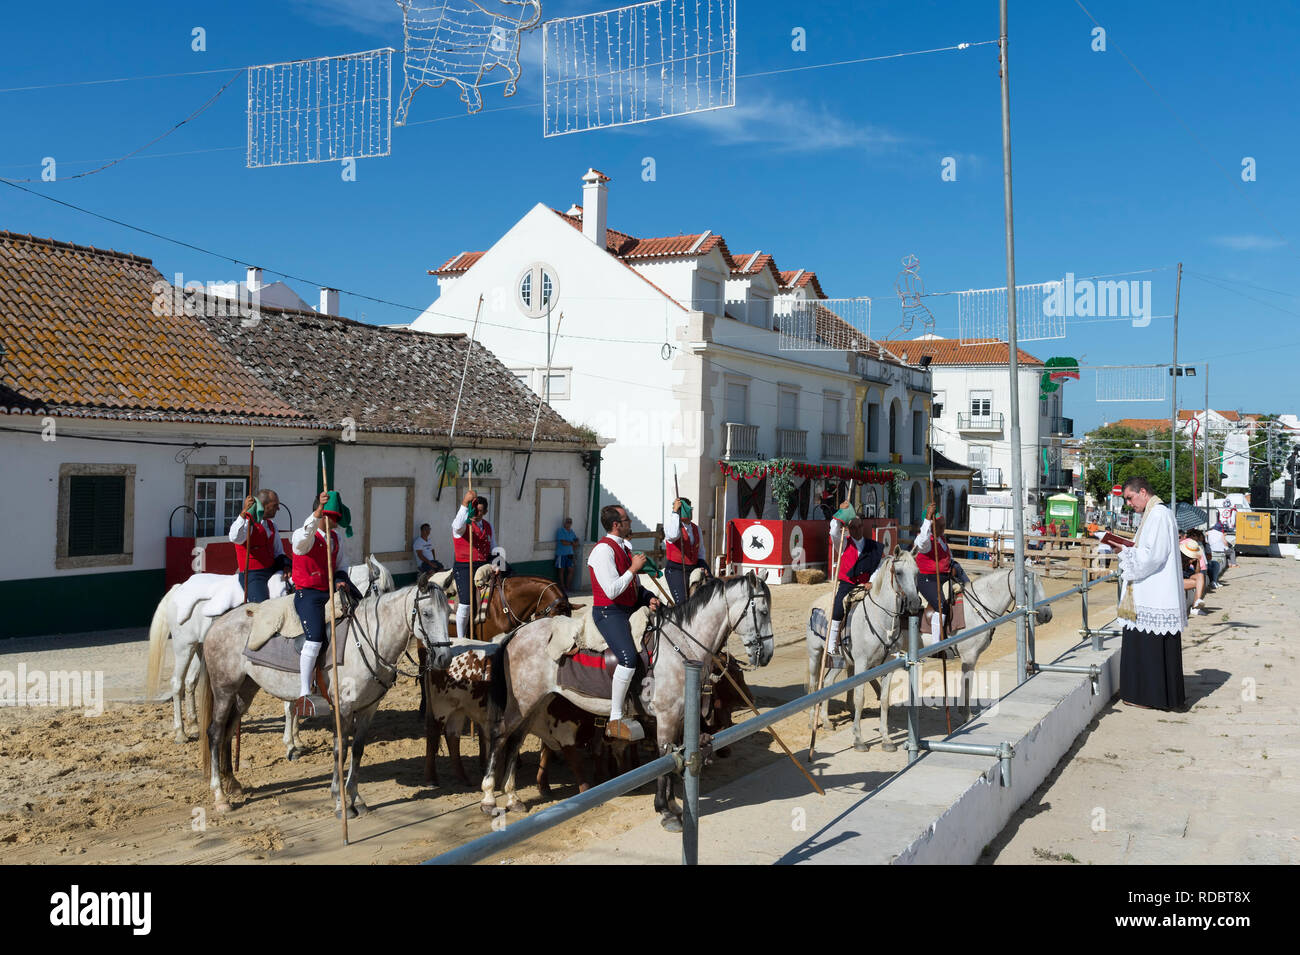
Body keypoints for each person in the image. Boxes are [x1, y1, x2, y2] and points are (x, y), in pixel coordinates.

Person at [588, 503, 660, 741]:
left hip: (629, 607)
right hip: (610, 612)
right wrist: (633, 569)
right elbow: (611, 590)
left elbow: (634, 588)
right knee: (628, 659)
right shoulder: (602, 551)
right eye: (627, 520)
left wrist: (648, 598)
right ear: (616, 525)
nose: (631, 523)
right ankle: (615, 718)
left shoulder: (624, 547)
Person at [1116, 476, 1186, 710]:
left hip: (1154, 593)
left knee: (1149, 648)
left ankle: (1149, 697)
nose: (1128, 503)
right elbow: (1146, 549)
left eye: (1130, 497)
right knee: (1146, 647)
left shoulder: (1158, 514)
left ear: (1143, 492)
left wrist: (1124, 553)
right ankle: (1150, 695)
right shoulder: (1153, 513)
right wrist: (1128, 548)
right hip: (1150, 591)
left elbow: (1152, 556)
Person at [291, 490, 353, 716]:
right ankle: (304, 691)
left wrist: (340, 578)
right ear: (322, 515)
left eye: (337, 518)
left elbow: (342, 564)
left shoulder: (337, 538)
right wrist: (317, 513)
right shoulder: (303, 535)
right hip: (307, 593)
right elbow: (300, 544)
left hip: (330, 590)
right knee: (315, 638)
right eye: (333, 517)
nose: (336, 523)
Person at [824, 516, 884, 669]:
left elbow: (878, 566)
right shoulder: (843, 543)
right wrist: (839, 516)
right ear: (848, 529)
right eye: (853, 528)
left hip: (866, 584)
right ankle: (831, 645)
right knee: (838, 608)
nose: (856, 530)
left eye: (859, 526)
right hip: (848, 584)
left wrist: (872, 581)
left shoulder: (873, 546)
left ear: (863, 527)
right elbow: (833, 533)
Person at [228, 488, 286, 603]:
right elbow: (235, 538)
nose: (278, 509)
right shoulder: (247, 523)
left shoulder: (271, 525)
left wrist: (286, 566)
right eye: (275, 505)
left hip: (272, 570)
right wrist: (244, 513)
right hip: (253, 575)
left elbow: (278, 552)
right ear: (264, 505)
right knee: (262, 606)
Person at [450, 490, 494, 639]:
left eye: (480, 511)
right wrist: (464, 503)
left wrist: (498, 564)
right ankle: (461, 638)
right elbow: (456, 526)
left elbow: (494, 548)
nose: (477, 513)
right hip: (465, 566)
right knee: (466, 603)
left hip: (484, 564)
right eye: (474, 510)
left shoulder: (488, 526)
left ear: (485, 512)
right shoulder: (463, 525)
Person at [915, 501, 958, 649]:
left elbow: (948, 557)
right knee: (940, 605)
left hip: (943, 576)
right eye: (940, 526)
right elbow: (921, 542)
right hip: (928, 578)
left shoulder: (942, 539)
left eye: (944, 526)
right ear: (932, 527)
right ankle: (935, 645)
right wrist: (927, 518)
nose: (943, 529)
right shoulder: (926, 541)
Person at [664, 497, 709, 605]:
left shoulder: (696, 528)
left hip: (693, 566)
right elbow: (673, 535)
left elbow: (701, 551)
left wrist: (704, 566)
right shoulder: (672, 526)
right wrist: (675, 512)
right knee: (683, 603)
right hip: (676, 569)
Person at [1180, 538, 1208, 614]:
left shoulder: (1192, 558)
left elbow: (1196, 572)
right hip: (1178, 579)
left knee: (1200, 576)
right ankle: (1195, 608)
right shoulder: (1179, 558)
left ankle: (1196, 602)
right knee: (1199, 583)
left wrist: (1197, 561)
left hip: (1187, 576)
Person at [555, 517, 580, 592]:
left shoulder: (571, 531)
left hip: (570, 553)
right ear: (564, 523)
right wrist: (572, 543)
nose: (569, 523)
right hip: (561, 554)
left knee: (571, 570)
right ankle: (562, 587)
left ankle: (568, 587)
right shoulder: (560, 531)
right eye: (567, 522)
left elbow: (576, 540)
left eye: (570, 522)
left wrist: (575, 542)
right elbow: (563, 542)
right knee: (561, 571)